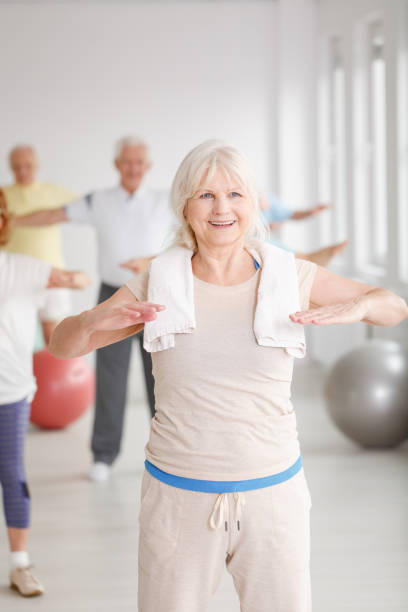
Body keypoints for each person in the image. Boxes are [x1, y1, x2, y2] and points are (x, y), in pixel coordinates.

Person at [48, 141, 407, 612]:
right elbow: (61, 345)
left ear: (254, 202)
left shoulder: (289, 274)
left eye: (236, 194)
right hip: (177, 499)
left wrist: (357, 305)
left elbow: (393, 306)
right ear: (183, 205)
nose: (222, 209)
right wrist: (92, 322)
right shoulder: (158, 281)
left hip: (274, 496)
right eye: (205, 195)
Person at [14, 136, 177, 482]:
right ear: (117, 164)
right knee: (110, 377)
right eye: (127, 161)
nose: (133, 167)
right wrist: (10, 221)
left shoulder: (167, 201)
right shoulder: (98, 200)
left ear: (148, 166)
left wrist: (149, 261)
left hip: (157, 295)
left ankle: (168, 455)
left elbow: (191, 238)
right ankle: (103, 455)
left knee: (161, 379)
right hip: (113, 295)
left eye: (139, 162)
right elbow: (54, 214)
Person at [0, 190, 90, 597]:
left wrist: (77, 279)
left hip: (12, 394)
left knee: (12, 474)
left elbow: (69, 280)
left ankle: (21, 566)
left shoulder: (22, 268)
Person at [2, 145, 77, 344]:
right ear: (10, 167)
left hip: (52, 275)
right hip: (14, 279)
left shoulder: (52, 192)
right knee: (16, 336)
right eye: (17, 167)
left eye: (27, 166)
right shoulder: (3, 195)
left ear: (36, 165)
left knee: (53, 334)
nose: (22, 172)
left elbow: (83, 209)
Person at [259, 191, 348, 266]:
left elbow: (290, 214)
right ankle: (308, 260)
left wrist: (310, 212)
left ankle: (308, 260)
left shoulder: (266, 199)